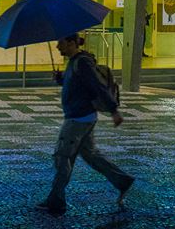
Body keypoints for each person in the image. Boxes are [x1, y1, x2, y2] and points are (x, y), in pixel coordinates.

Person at [37, 34, 134, 216]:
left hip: (77, 119)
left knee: (62, 156)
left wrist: (114, 110)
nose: (58, 47)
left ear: (72, 43)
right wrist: (60, 79)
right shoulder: (75, 61)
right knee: (91, 156)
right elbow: (77, 84)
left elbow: (97, 86)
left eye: (61, 43)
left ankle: (55, 201)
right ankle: (122, 181)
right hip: (83, 117)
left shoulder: (82, 62)